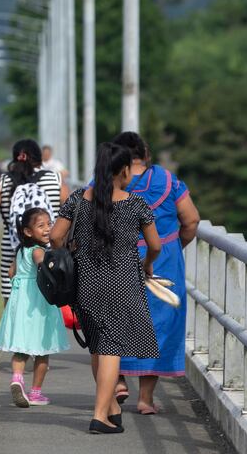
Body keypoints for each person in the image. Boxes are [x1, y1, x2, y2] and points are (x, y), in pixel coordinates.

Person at [51, 142, 162, 434]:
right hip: (122, 283)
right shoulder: (137, 204)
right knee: (111, 347)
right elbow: (155, 245)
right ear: (124, 171)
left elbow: (55, 236)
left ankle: (112, 408)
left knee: (99, 346)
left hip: (85, 283)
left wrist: (73, 253)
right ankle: (100, 414)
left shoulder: (78, 198)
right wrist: (147, 264)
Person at [111, 132, 201, 415]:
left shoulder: (105, 180)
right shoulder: (168, 181)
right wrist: (174, 245)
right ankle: (146, 399)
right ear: (145, 154)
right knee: (157, 324)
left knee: (116, 320)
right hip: (162, 260)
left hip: (116, 259)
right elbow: (192, 220)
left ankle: (119, 381)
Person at [0, 208, 69, 407]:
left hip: (21, 303)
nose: (47, 229)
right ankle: (35, 393)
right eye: (41, 225)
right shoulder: (38, 250)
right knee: (42, 350)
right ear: (28, 231)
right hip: (39, 304)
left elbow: (11, 273)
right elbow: (41, 263)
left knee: (21, 348)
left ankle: (17, 378)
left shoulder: (20, 251)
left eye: (49, 224)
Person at [0, 139, 67, 302]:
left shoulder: (3, 182)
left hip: (13, 257)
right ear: (39, 158)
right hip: (50, 258)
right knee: (48, 308)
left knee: (13, 309)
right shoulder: (55, 179)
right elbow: (70, 214)